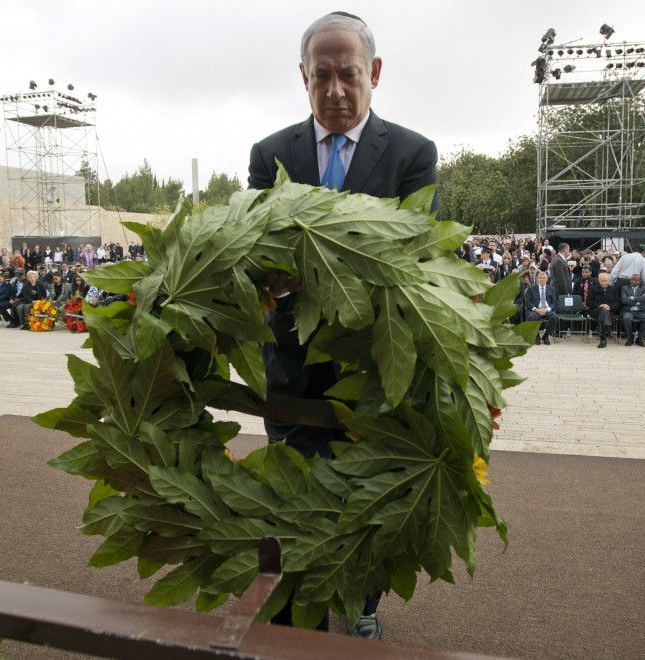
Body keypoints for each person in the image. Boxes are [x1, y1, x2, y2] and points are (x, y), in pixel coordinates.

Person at [247, 10, 437, 639]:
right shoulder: (269, 155)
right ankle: (292, 622)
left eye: (347, 74)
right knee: (291, 498)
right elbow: (257, 259)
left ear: (374, 73)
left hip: (372, 374)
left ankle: (361, 606)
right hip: (292, 372)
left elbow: (413, 263)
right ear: (302, 77)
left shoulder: (413, 154)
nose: (334, 90)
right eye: (320, 76)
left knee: (362, 506)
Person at [525, 270, 559, 345]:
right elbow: (528, 301)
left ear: (547, 279)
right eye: (540, 278)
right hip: (535, 310)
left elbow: (554, 302)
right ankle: (536, 336)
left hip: (547, 310)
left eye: (544, 278)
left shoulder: (551, 288)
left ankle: (546, 336)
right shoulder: (531, 288)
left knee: (555, 317)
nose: (542, 279)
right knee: (531, 317)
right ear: (537, 279)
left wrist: (547, 310)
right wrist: (536, 309)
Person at [620, 273, 645, 346]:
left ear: (640, 281)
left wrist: (632, 298)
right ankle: (630, 338)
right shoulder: (624, 288)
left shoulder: (644, 288)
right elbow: (624, 300)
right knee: (626, 318)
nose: (634, 281)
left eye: (636, 280)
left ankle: (640, 339)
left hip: (640, 310)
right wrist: (638, 301)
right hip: (629, 310)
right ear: (630, 280)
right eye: (633, 280)